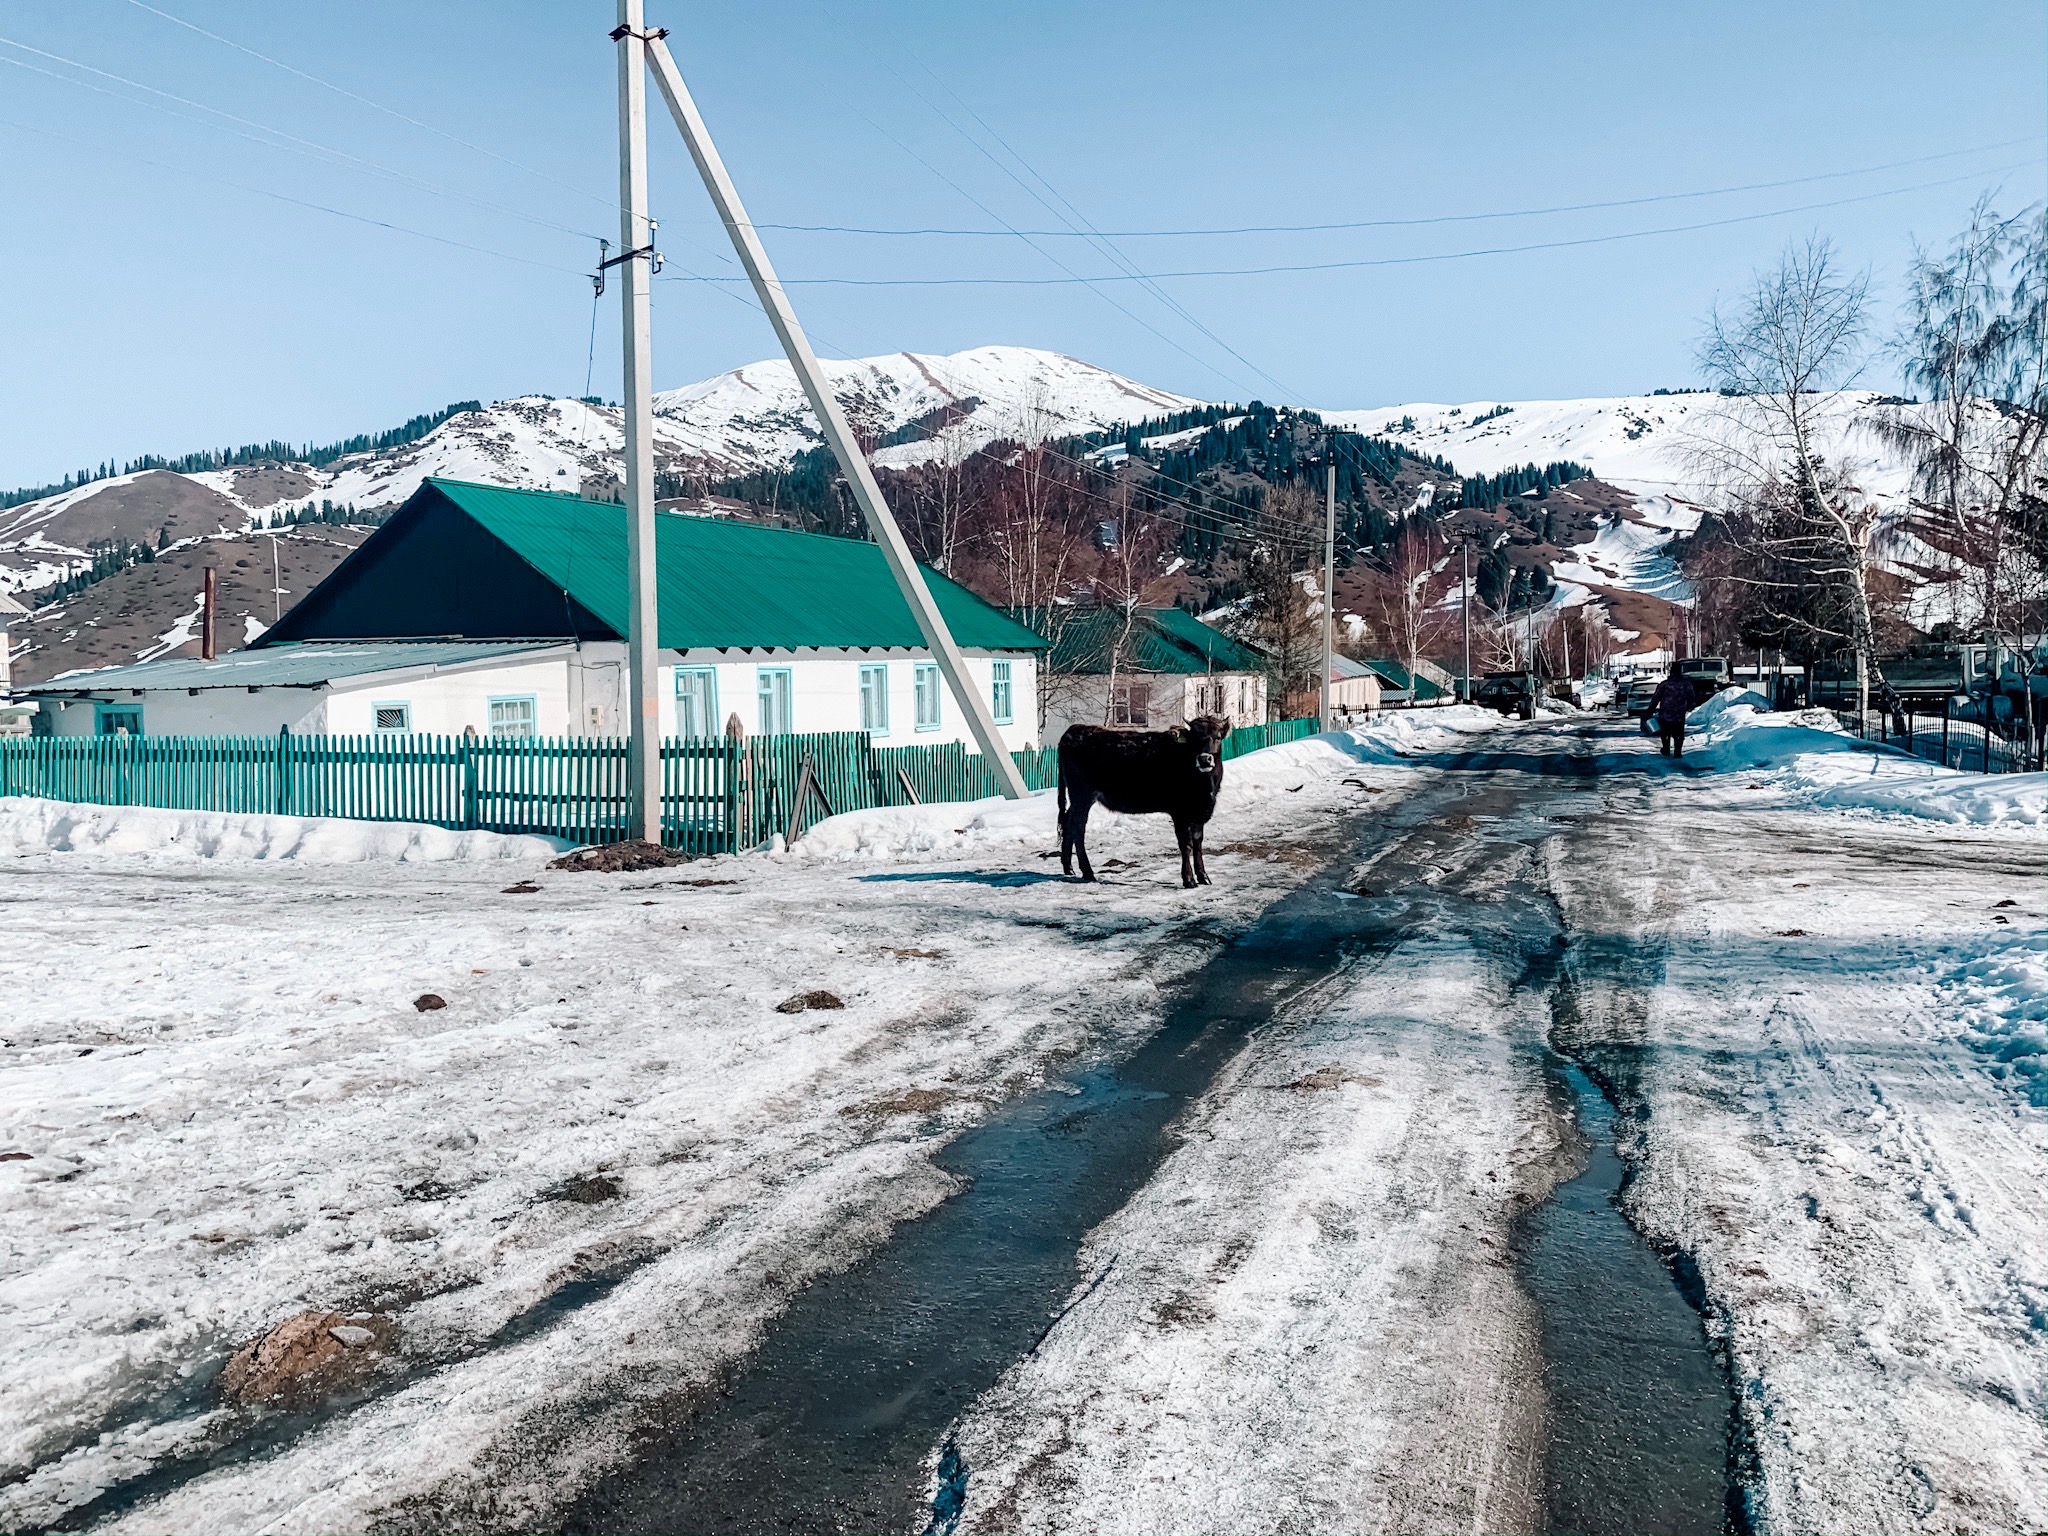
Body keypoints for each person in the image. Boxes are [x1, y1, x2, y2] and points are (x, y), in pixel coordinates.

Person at [1648, 664, 1694, 758]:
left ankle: (1666, 749)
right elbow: (1692, 697)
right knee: (1679, 733)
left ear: (1671, 672)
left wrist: (1650, 710)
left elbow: (1656, 698)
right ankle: (1678, 752)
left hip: (1665, 713)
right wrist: (1689, 706)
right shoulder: (1686, 684)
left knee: (1666, 733)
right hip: (1680, 714)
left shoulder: (1664, 684)